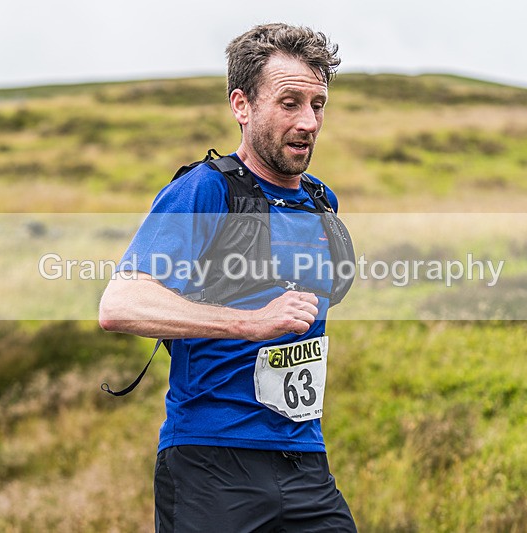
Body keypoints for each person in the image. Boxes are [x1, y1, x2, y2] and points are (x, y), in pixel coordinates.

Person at [99, 23, 357, 532]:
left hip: (304, 461)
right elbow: (120, 303)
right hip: (211, 466)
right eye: (290, 103)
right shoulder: (204, 191)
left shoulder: (320, 203)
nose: (308, 121)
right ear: (241, 105)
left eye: (318, 104)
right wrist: (251, 323)